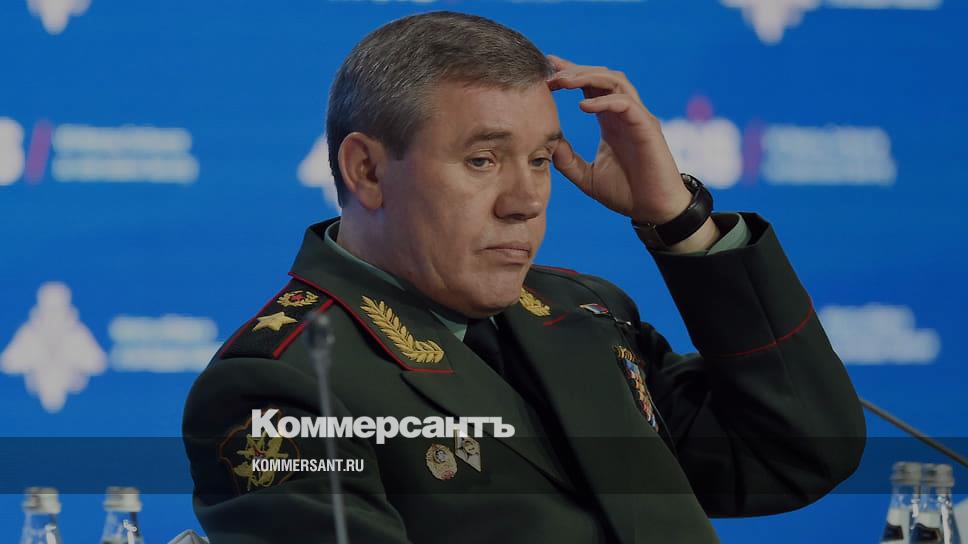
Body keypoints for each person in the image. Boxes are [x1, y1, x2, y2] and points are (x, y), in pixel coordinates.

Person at [182, 11, 866, 543]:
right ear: (367, 171)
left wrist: (679, 222)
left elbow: (796, 452)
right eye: (483, 160)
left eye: (540, 160)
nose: (526, 200)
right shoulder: (281, 386)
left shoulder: (585, 313)